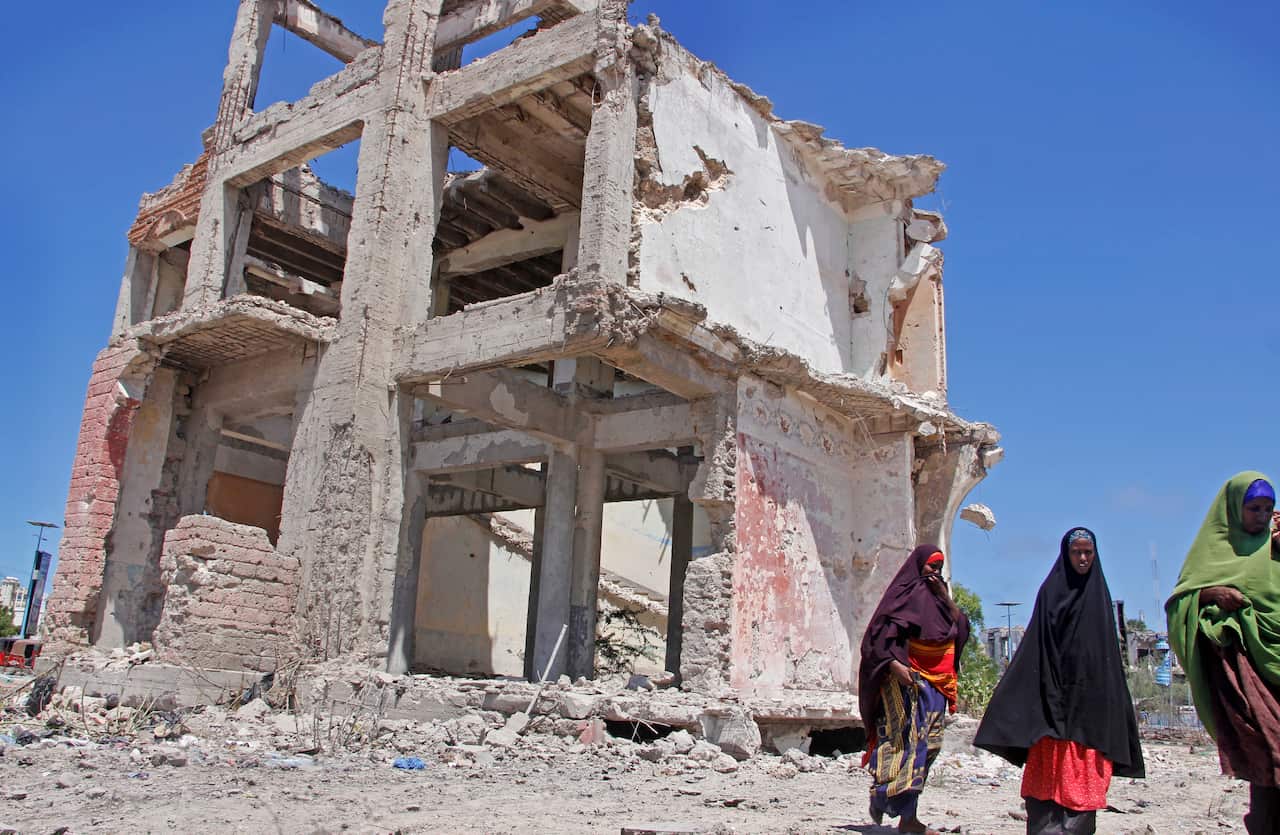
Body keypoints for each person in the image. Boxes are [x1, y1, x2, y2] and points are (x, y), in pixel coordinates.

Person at [974, 527, 1145, 835]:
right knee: (1047, 784)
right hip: (1052, 704)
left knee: (1083, 786)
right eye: (1076, 552)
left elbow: (1107, 660)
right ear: (1066, 555)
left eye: (1088, 552)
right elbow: (1037, 649)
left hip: (1089, 711)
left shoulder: (1099, 598)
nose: (1082, 558)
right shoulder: (1051, 593)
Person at [1166, 471, 1280, 834]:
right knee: (1268, 757)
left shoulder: (1276, 548)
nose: (1261, 516)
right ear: (1233, 509)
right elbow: (1181, 604)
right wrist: (1213, 594)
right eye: (1254, 508)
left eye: (1268, 509)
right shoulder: (1213, 553)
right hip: (1248, 679)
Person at [859, 544, 969, 835]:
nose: (935, 573)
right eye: (932, 567)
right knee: (909, 744)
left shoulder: (940, 600)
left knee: (930, 746)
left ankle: (900, 810)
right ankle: (900, 812)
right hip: (909, 683)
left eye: (940, 568)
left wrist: (944, 596)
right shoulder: (904, 597)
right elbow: (878, 639)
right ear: (919, 566)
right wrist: (896, 667)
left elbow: (960, 628)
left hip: (937, 685)